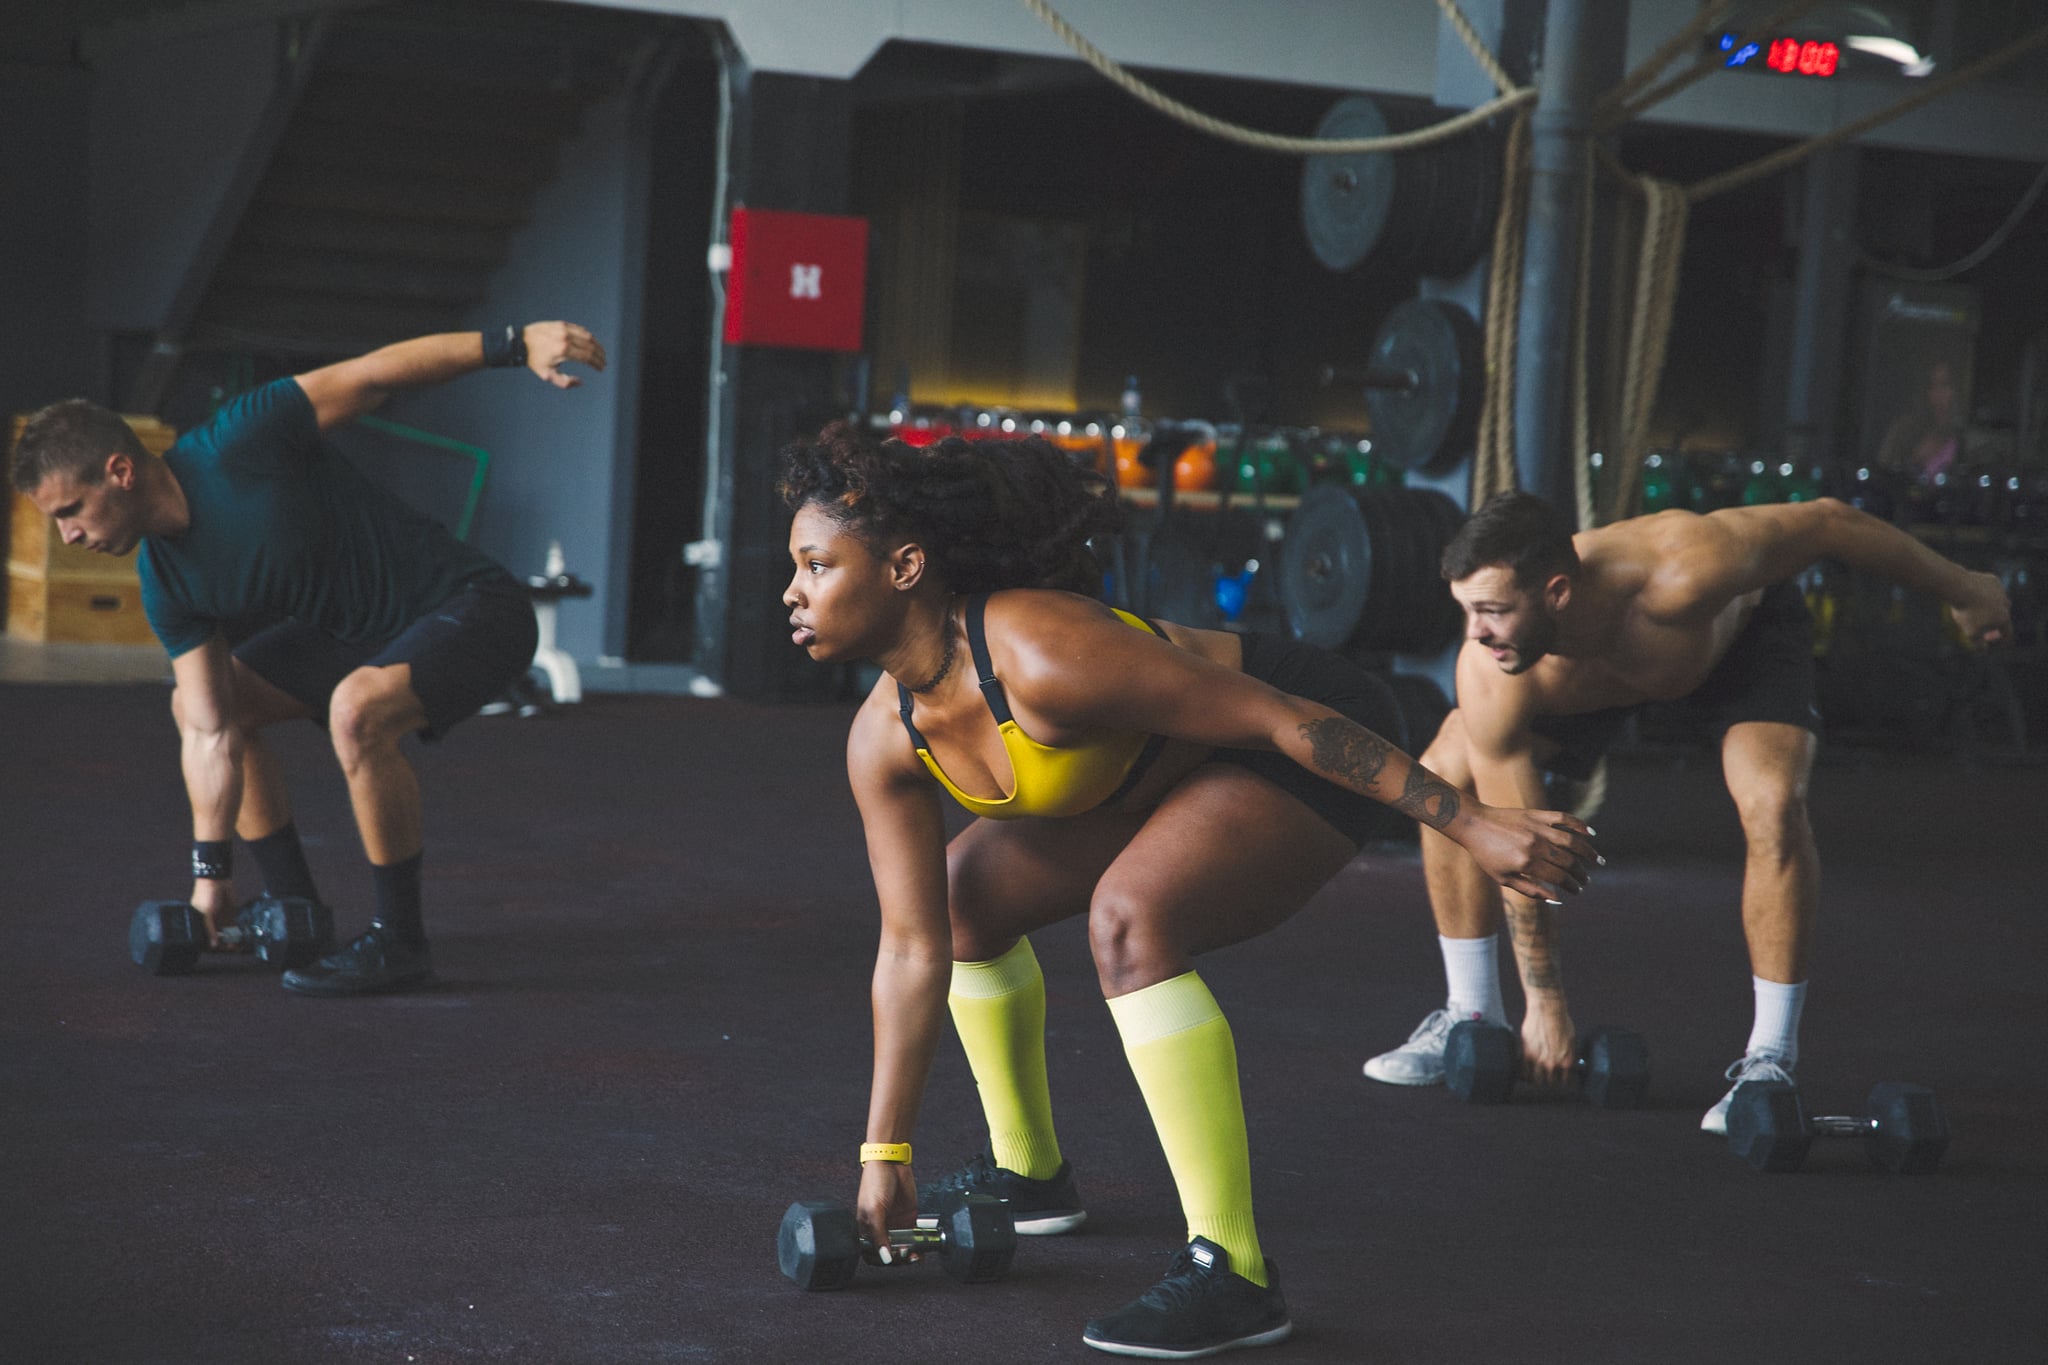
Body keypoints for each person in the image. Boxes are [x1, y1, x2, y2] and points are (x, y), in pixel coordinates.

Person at [776, 423, 1597, 1359]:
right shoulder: (882, 739)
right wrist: (885, 1157)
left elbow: (1287, 720)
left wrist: (1469, 820)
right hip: (1154, 770)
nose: (793, 592)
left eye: (816, 564)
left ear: (906, 567)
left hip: (1298, 734)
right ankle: (1031, 1174)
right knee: (962, 904)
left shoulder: (1043, 652)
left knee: (1131, 918)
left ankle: (1236, 1271)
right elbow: (911, 948)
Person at [1359, 490, 2011, 1132]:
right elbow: (1520, 841)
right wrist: (1546, 1003)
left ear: (1556, 590)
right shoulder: (1495, 666)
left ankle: (1769, 1059)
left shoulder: (1689, 565)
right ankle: (1472, 1013)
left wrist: (1964, 587)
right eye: (1467, 611)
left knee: (1772, 803)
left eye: (1492, 610)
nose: (1474, 633)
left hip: (1732, 650)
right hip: (1588, 683)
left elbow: (1829, 522)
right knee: (1446, 777)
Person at [14, 321, 606, 996]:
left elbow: (373, 372)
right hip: (356, 637)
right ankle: (297, 910)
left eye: (72, 510)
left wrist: (511, 343)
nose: (69, 535)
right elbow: (210, 730)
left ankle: (400, 941)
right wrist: (211, 880)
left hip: (471, 605)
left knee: (357, 709)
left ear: (119, 471)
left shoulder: (241, 440)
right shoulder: (167, 581)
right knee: (202, 700)